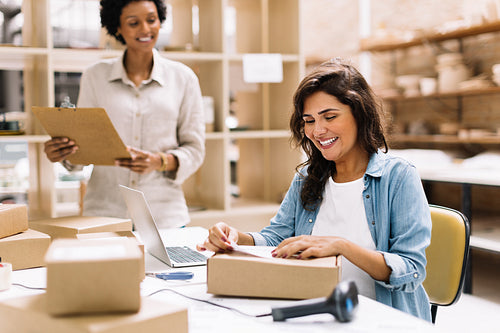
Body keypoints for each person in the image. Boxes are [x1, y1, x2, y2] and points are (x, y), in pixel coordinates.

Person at [198, 58, 432, 321]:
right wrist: (236, 238)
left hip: (381, 318)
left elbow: (411, 271)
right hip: (316, 311)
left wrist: (341, 246)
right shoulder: (309, 177)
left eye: (330, 117)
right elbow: (277, 239)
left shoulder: (398, 176)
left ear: (359, 113)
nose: (318, 130)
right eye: (308, 120)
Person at [43, 0, 205, 228]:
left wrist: (158, 161)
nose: (145, 29)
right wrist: (63, 153)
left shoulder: (184, 78)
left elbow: (195, 150)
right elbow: (82, 153)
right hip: (104, 214)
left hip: (164, 217)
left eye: (151, 20)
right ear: (117, 27)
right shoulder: (95, 76)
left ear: (160, 20)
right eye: (133, 23)